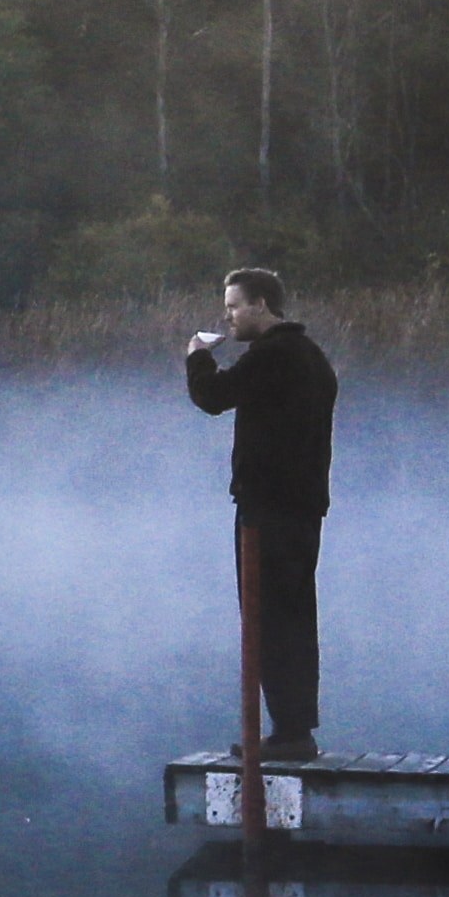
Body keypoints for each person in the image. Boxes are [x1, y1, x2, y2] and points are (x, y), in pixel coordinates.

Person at [183, 266, 338, 760]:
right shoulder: (312, 357)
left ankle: (289, 735)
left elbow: (212, 397)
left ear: (262, 305)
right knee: (292, 616)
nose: (227, 317)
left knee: (267, 618)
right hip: (302, 507)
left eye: (233, 306)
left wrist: (197, 357)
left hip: (268, 509)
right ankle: (294, 728)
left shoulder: (272, 355)